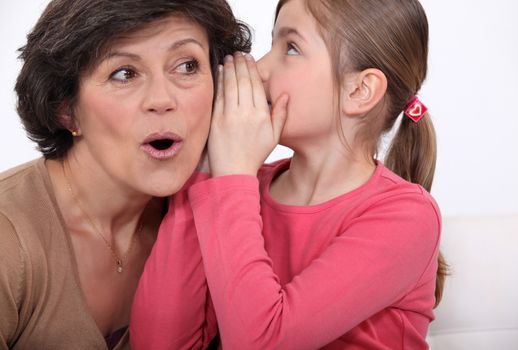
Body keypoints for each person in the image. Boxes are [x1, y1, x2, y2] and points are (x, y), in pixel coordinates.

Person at [131, 0, 447, 348]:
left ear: (360, 91)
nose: (261, 68)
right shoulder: (236, 188)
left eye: (291, 48)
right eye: (272, 44)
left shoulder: (407, 217)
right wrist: (208, 166)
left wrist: (233, 177)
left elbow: (261, 342)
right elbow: (157, 343)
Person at [0, 0, 250, 349]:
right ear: (65, 109)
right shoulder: (9, 237)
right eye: (124, 73)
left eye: (187, 65)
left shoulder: (224, 219)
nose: (162, 99)